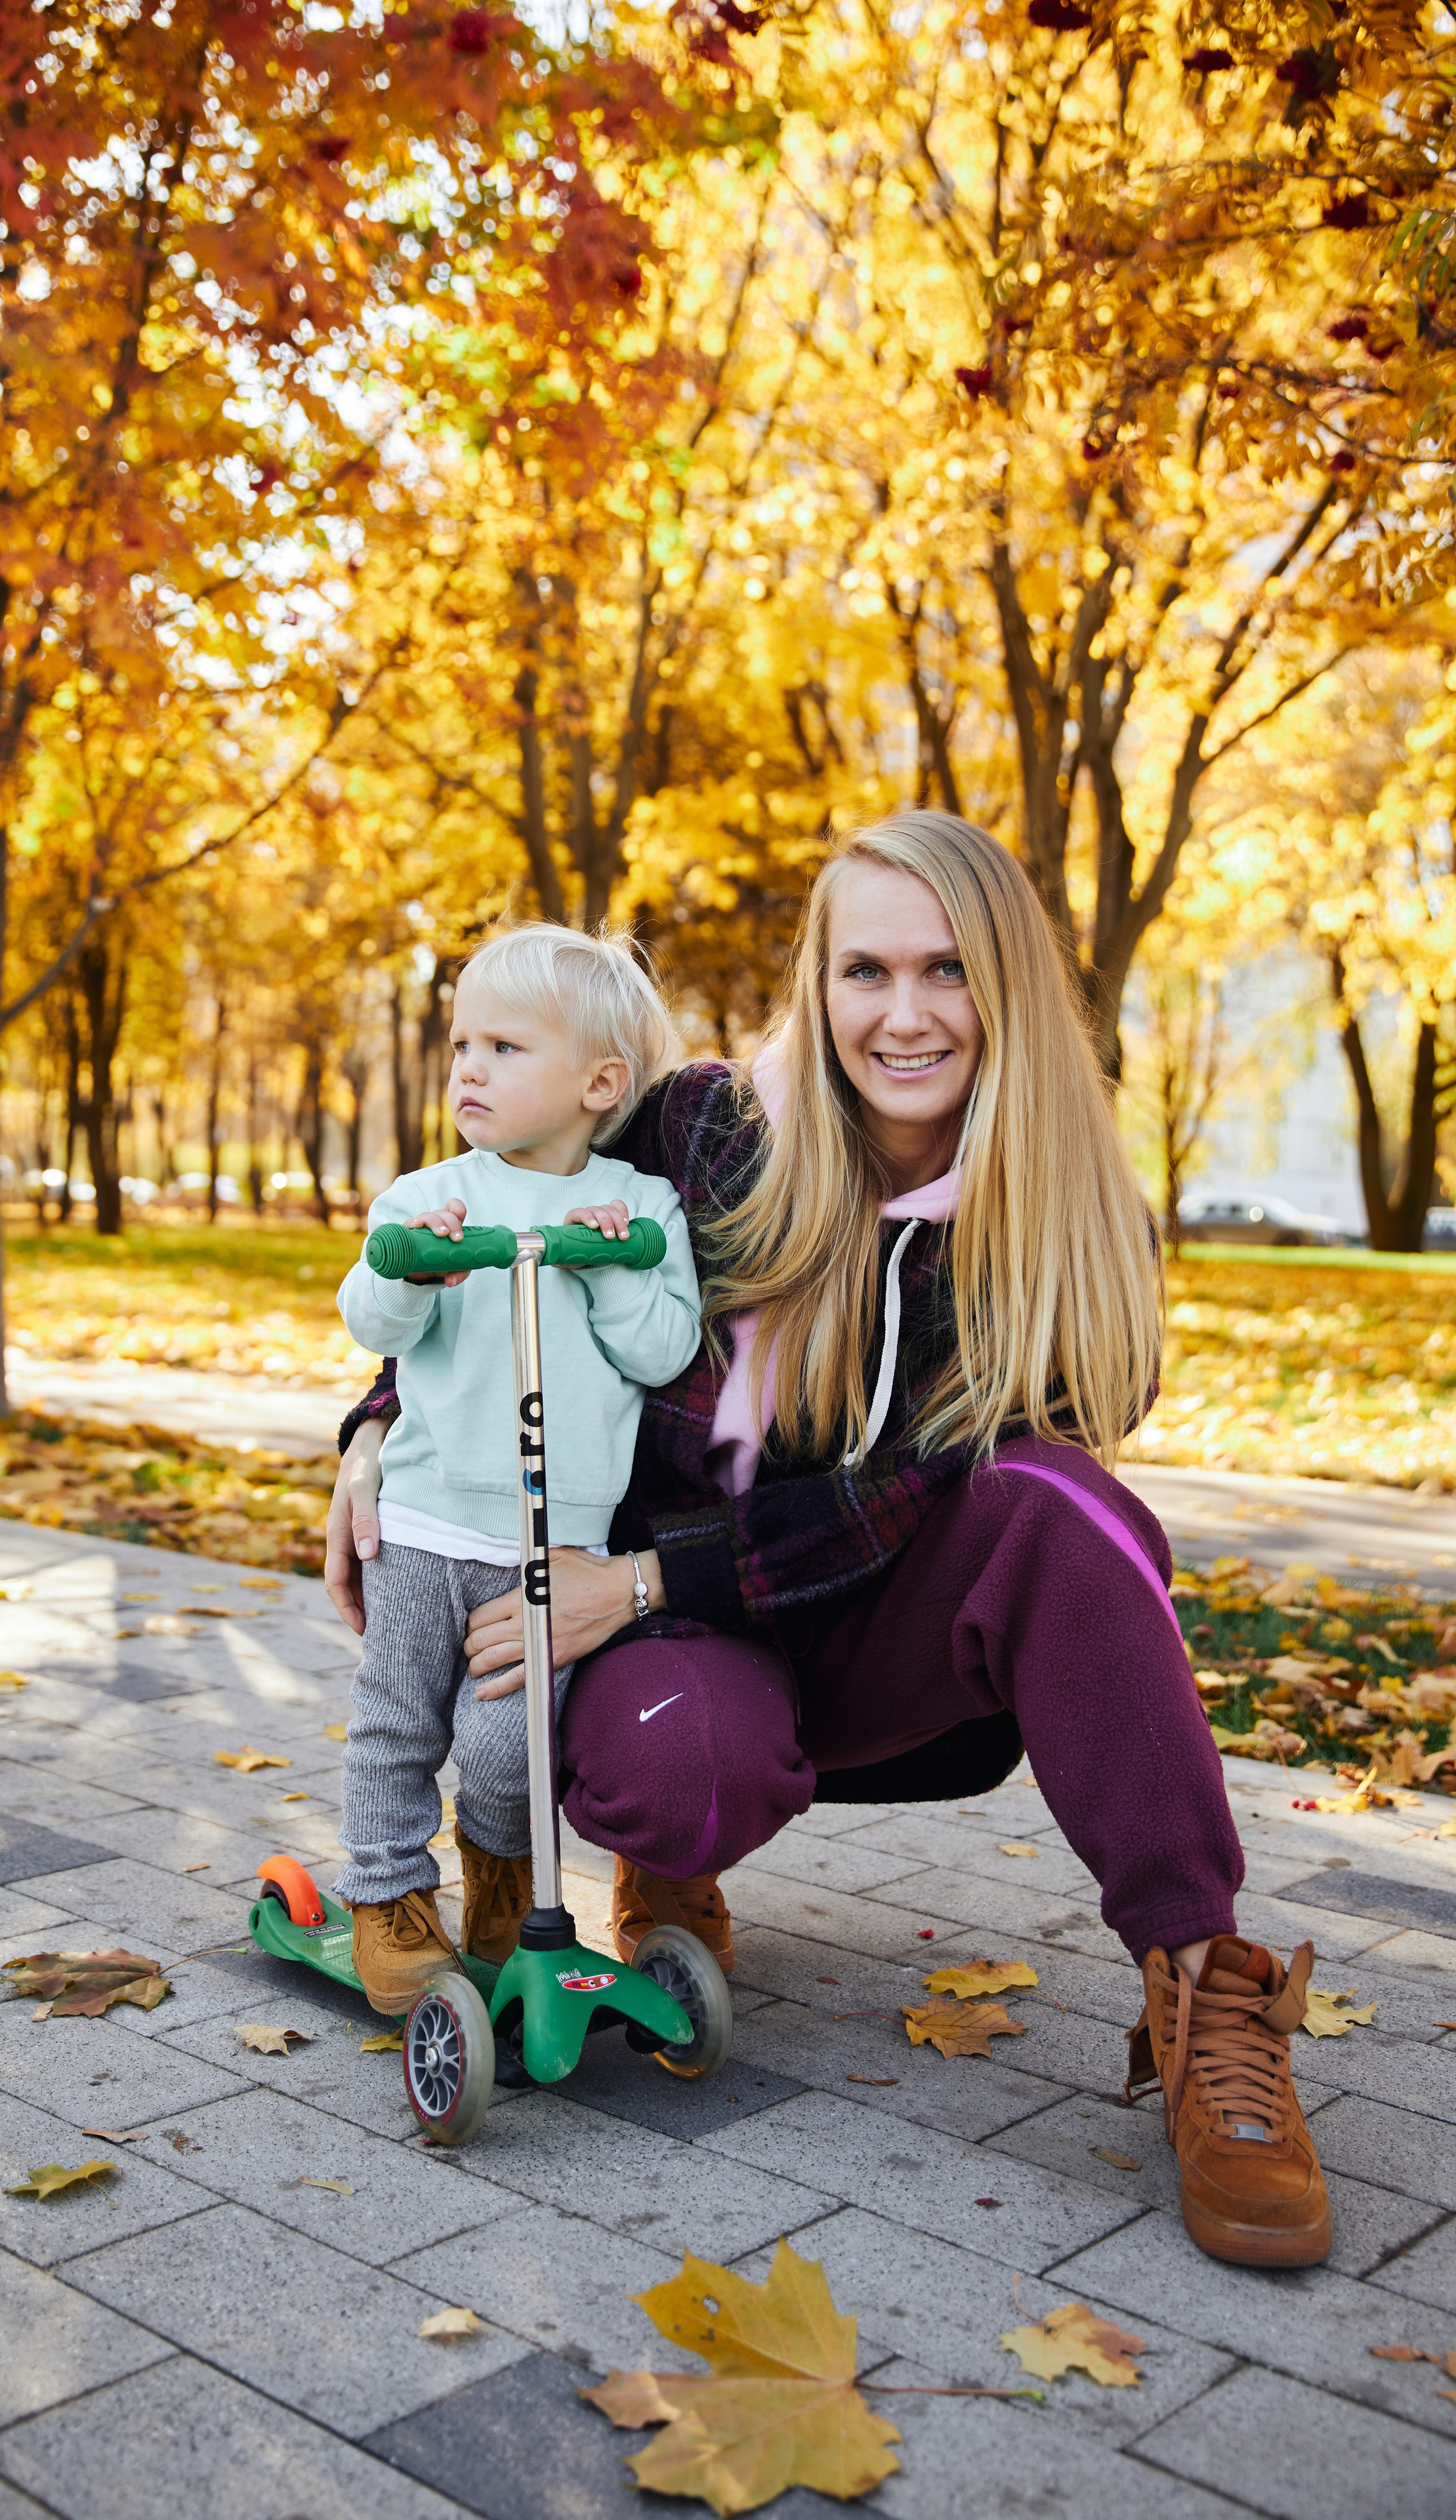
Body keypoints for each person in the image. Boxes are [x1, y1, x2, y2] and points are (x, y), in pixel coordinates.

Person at [327, 810, 1333, 2269]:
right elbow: (498, 1223)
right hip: (674, 1652)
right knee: (678, 1759)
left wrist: (645, 1574)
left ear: (1006, 985)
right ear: (817, 981)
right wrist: (372, 1427)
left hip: (869, 1641)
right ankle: (668, 1862)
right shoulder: (698, 1127)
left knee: (1058, 1502)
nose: (904, 1014)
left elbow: (906, 1501)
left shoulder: (1062, 1225)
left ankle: (1200, 1986)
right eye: (864, 969)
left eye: (945, 970)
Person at [330, 923, 700, 2013]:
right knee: (398, 1720)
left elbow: (664, 1348)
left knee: (507, 1749)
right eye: (462, 1044)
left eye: (504, 1047)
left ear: (600, 1082)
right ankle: (388, 1893)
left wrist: (614, 1263)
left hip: (556, 1544)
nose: (469, 1070)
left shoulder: (641, 1210)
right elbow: (368, 1312)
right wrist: (415, 1268)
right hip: (429, 1526)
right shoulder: (429, 1196)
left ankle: (502, 1878)